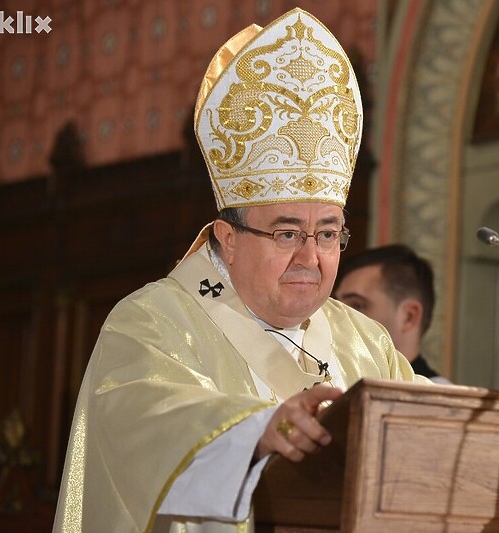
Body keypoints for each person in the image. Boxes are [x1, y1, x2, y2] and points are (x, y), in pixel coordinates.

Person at [53, 8, 425, 532]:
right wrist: (253, 433)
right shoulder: (152, 322)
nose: (310, 257)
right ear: (227, 240)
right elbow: (141, 422)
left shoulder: (367, 342)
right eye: (287, 233)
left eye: (327, 233)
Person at [334, 244, 452, 384]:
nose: (337, 317)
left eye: (357, 305)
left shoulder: (436, 399)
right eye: (336, 305)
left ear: (409, 317)